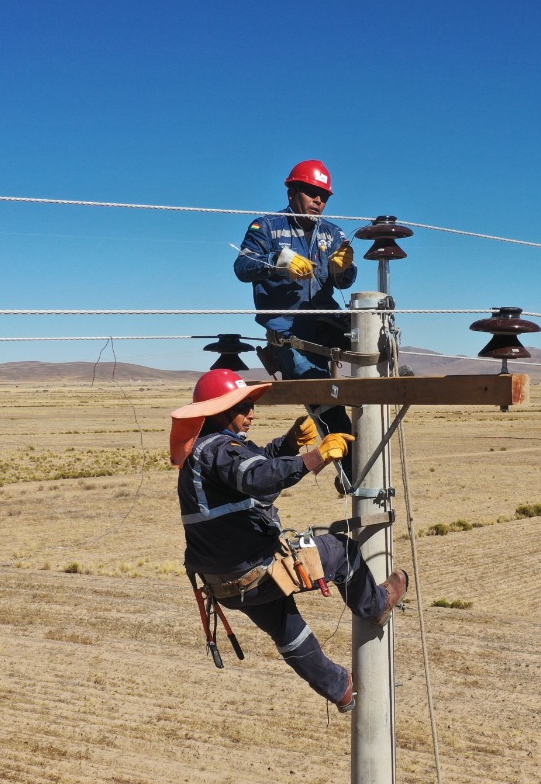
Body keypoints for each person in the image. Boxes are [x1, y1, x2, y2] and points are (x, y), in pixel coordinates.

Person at [170, 368, 406, 711]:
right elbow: (258, 476)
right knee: (342, 551)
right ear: (219, 410)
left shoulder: (203, 450)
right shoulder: (220, 448)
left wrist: (288, 443)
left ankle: (339, 688)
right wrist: (317, 455)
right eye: (243, 405)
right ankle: (376, 605)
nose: (252, 413)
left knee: (288, 631)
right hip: (256, 571)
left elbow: (252, 465)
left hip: (226, 583)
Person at [234, 159, 359, 382]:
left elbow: (346, 282)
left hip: (329, 325)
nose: (318, 200)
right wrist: (277, 262)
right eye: (311, 192)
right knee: (318, 385)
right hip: (288, 333)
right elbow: (243, 267)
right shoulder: (267, 226)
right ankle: (334, 415)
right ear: (292, 193)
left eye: (325, 196)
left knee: (375, 351)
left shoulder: (334, 233)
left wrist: (342, 269)